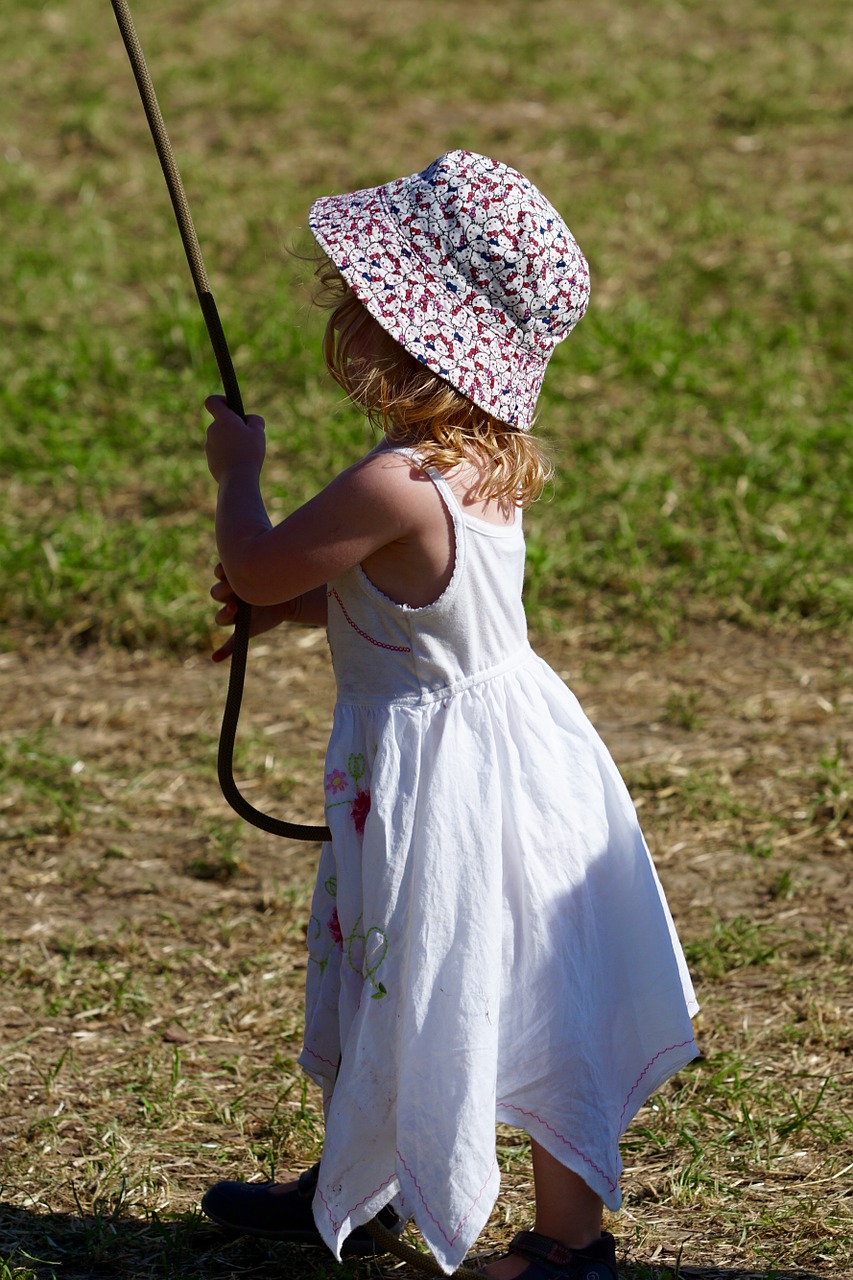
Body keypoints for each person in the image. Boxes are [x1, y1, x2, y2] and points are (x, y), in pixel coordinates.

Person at [200, 150, 699, 1280]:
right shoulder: (481, 463)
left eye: (358, 303)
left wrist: (238, 470)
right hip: (511, 754)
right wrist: (294, 617)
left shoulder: (393, 482)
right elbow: (412, 602)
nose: (343, 318)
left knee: (440, 971)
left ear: (400, 332)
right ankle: (366, 1180)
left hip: (443, 781)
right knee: (473, 974)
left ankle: (559, 1249)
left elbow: (261, 561)